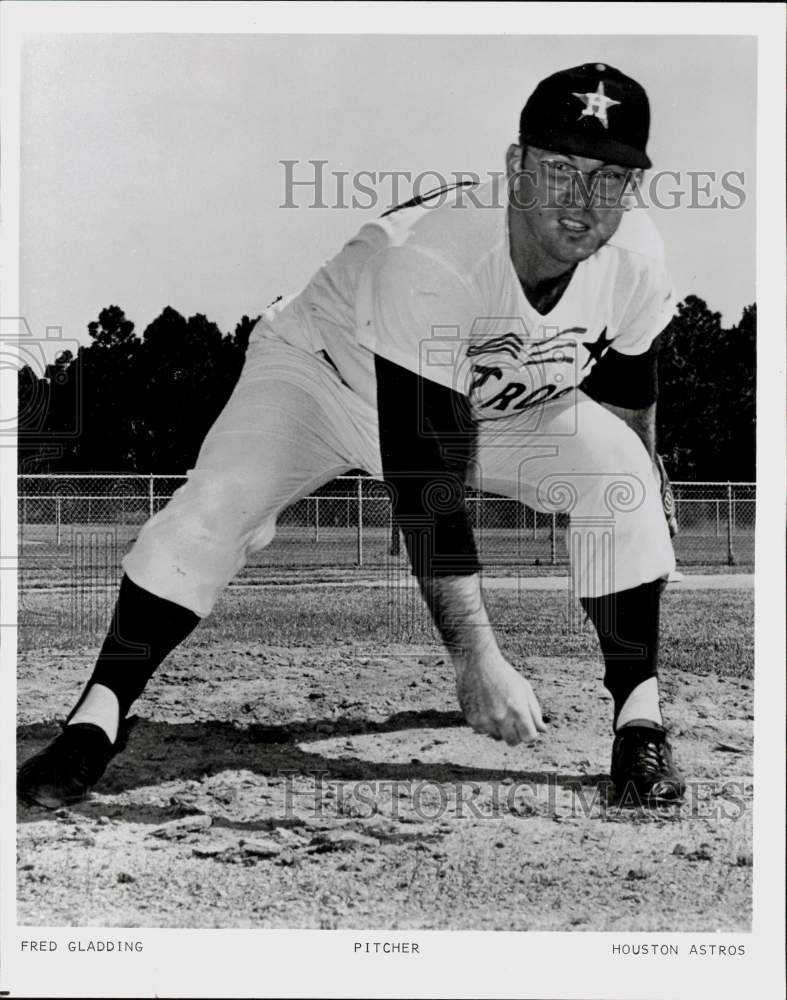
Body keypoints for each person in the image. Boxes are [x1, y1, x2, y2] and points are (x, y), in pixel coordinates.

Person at [18, 62, 685, 810]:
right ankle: (98, 716)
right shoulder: (432, 255)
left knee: (621, 476)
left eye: (608, 178)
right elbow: (423, 475)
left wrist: (648, 487)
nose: (582, 199)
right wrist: (476, 659)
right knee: (212, 510)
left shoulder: (635, 262)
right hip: (323, 375)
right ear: (515, 165)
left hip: (492, 409)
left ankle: (639, 723)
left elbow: (629, 395)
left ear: (632, 189)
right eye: (560, 169)